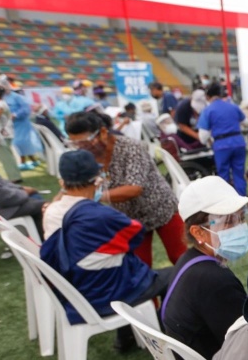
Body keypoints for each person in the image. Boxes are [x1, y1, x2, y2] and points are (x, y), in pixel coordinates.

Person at [41, 150, 172, 351]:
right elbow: (136, 234)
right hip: (107, 292)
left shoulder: (51, 212)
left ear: (62, 183)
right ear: (97, 180)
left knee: (109, 263)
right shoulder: (100, 215)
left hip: (75, 289)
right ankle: (169, 333)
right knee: (176, 274)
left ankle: (126, 337)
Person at [65, 111, 186, 267]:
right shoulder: (86, 157)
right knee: (140, 265)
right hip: (129, 218)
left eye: (85, 143)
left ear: (102, 132)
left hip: (161, 208)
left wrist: (97, 195)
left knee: (179, 257)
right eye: (74, 144)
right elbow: (72, 184)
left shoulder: (130, 147)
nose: (81, 149)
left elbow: (134, 189)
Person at [163, 176, 248, 360]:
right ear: (198, 232)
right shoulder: (213, 280)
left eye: (241, 217)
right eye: (230, 221)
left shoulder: (190, 260)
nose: (240, 227)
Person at [197, 83, 248, 196]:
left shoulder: (208, 110)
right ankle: (243, 203)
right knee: (239, 173)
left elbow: (203, 136)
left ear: (207, 96)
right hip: (238, 142)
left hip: (221, 145)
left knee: (223, 176)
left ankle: (227, 203)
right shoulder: (233, 106)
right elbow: (246, 122)